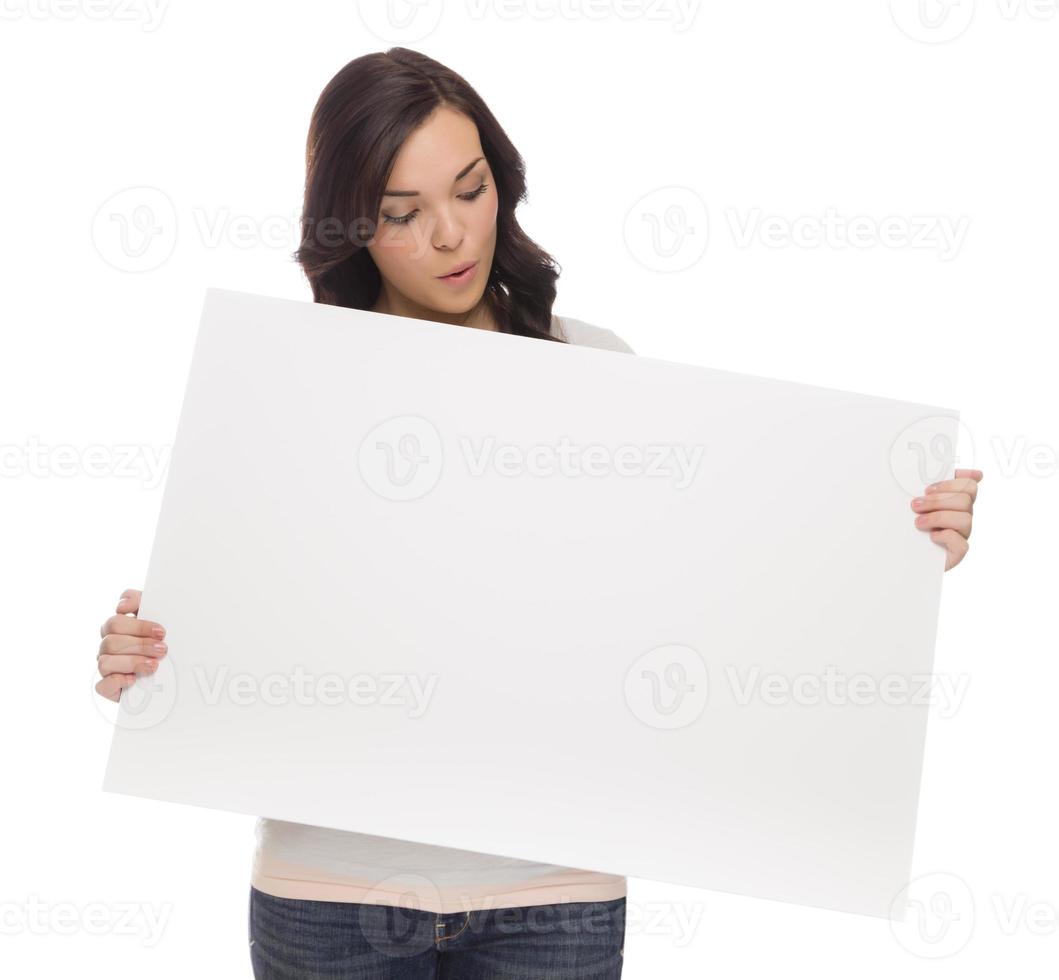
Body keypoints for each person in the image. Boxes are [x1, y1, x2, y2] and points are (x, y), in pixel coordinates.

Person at [94, 47, 983, 979]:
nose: (450, 235)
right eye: (403, 213)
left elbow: (713, 596)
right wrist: (147, 661)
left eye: (469, 189)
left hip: (552, 897)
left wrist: (895, 548)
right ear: (350, 225)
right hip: (331, 894)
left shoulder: (595, 371)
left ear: (501, 182)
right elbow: (240, 613)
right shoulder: (287, 386)